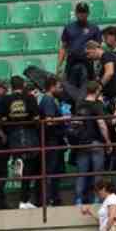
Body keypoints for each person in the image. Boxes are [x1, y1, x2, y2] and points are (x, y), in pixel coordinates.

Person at [0, 76, 42, 209]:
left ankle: (17, 162)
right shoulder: (30, 98)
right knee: (31, 166)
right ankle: (24, 200)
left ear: (11, 86)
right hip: (29, 134)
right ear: (23, 85)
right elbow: (37, 117)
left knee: (21, 158)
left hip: (13, 135)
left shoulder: (5, 99)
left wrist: (3, 131)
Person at [71, 81, 111, 206]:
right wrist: (108, 141)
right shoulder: (96, 105)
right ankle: (97, 200)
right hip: (95, 142)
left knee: (81, 174)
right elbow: (102, 125)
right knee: (97, 173)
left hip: (81, 143)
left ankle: (78, 200)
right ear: (97, 90)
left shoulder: (79, 105)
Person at [37, 75, 71, 206]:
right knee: (51, 171)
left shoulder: (52, 100)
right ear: (51, 87)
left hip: (54, 141)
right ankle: (49, 199)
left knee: (55, 171)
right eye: (59, 86)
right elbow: (49, 121)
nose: (61, 89)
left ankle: (53, 197)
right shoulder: (48, 100)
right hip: (51, 141)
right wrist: (65, 118)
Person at [59, 1, 101, 85]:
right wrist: (59, 66)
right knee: (70, 87)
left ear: (88, 13)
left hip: (87, 63)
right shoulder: (68, 28)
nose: (82, 14)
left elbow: (99, 48)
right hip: (71, 62)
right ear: (76, 13)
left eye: (84, 12)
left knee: (88, 87)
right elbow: (63, 47)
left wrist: (98, 65)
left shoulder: (94, 28)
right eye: (79, 12)